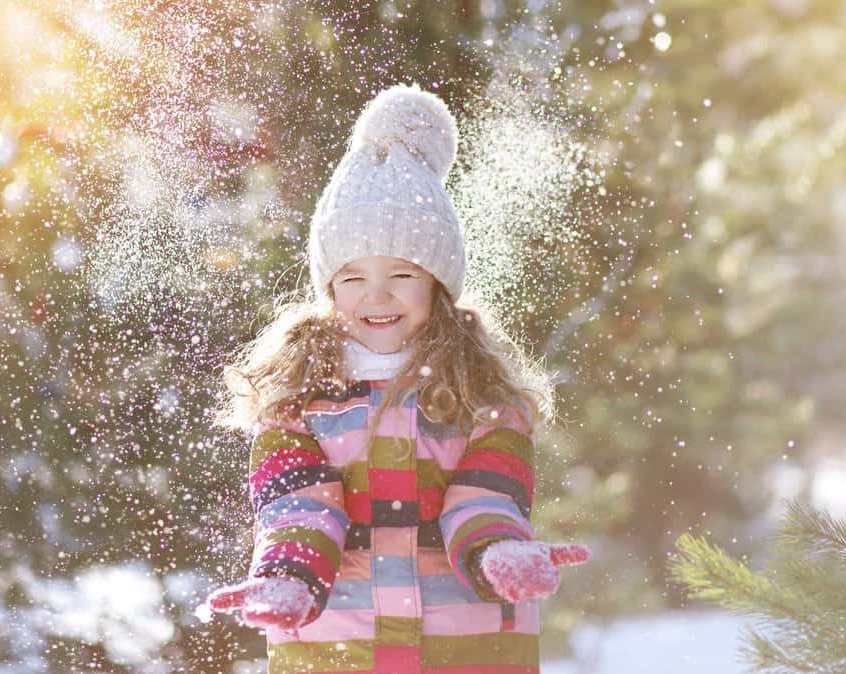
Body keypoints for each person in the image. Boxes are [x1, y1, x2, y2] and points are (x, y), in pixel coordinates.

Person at [201, 83, 590, 674]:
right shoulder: (295, 402)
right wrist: (288, 575)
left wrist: (497, 551)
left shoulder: (482, 397)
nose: (376, 296)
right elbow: (297, 503)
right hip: (339, 646)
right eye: (352, 277)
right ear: (329, 289)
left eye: (402, 274)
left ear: (439, 283)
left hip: (463, 643)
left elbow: (489, 490)